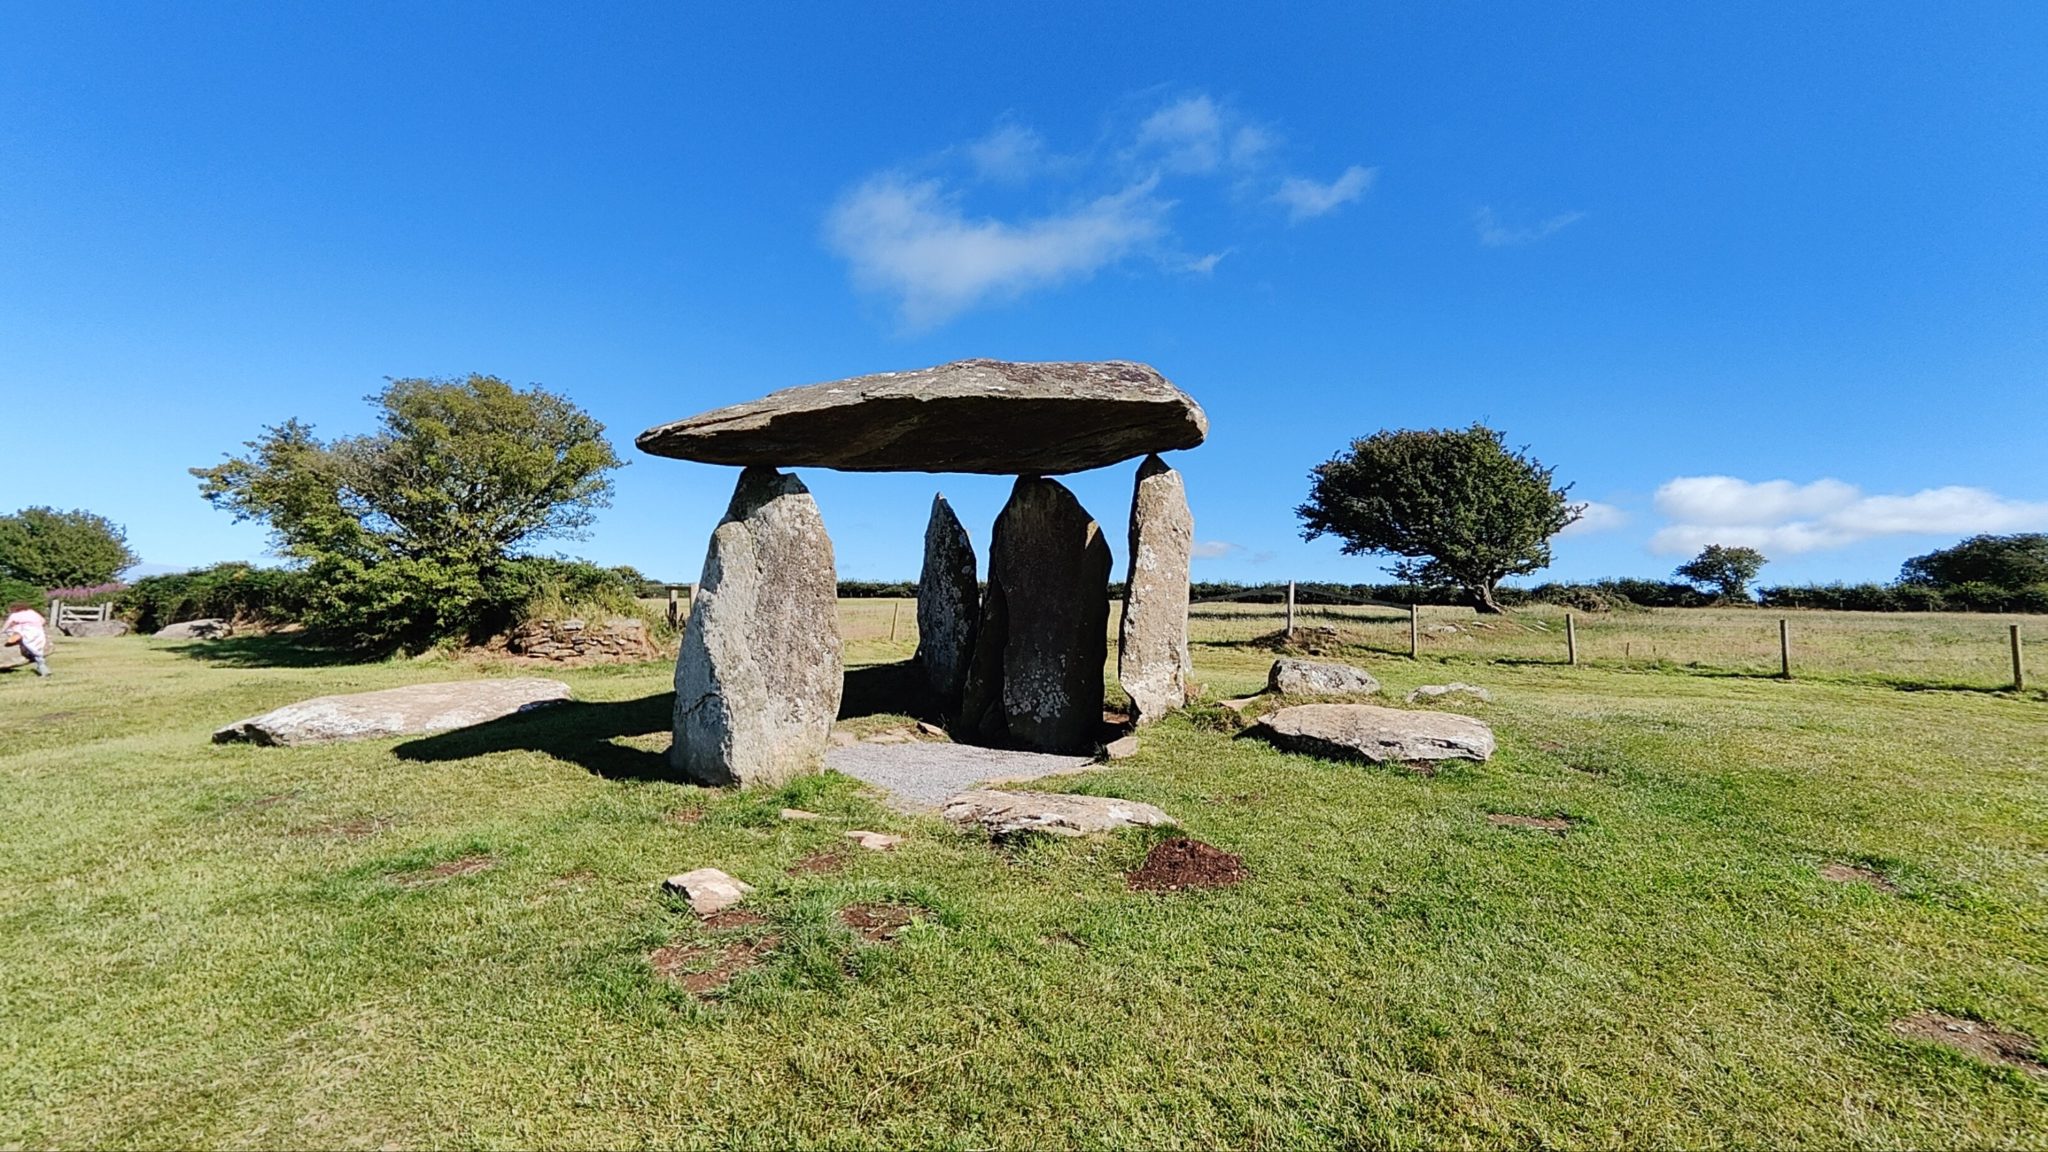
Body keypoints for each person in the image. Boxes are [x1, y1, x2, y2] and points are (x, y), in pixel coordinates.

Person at [4, 601, 51, 677]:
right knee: (36, 649)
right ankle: (42, 666)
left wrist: (2, 631)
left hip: (27, 631)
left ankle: (17, 637)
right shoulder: (32, 612)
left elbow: (8, 623)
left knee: (16, 633)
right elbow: (43, 621)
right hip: (38, 632)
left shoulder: (15, 615)